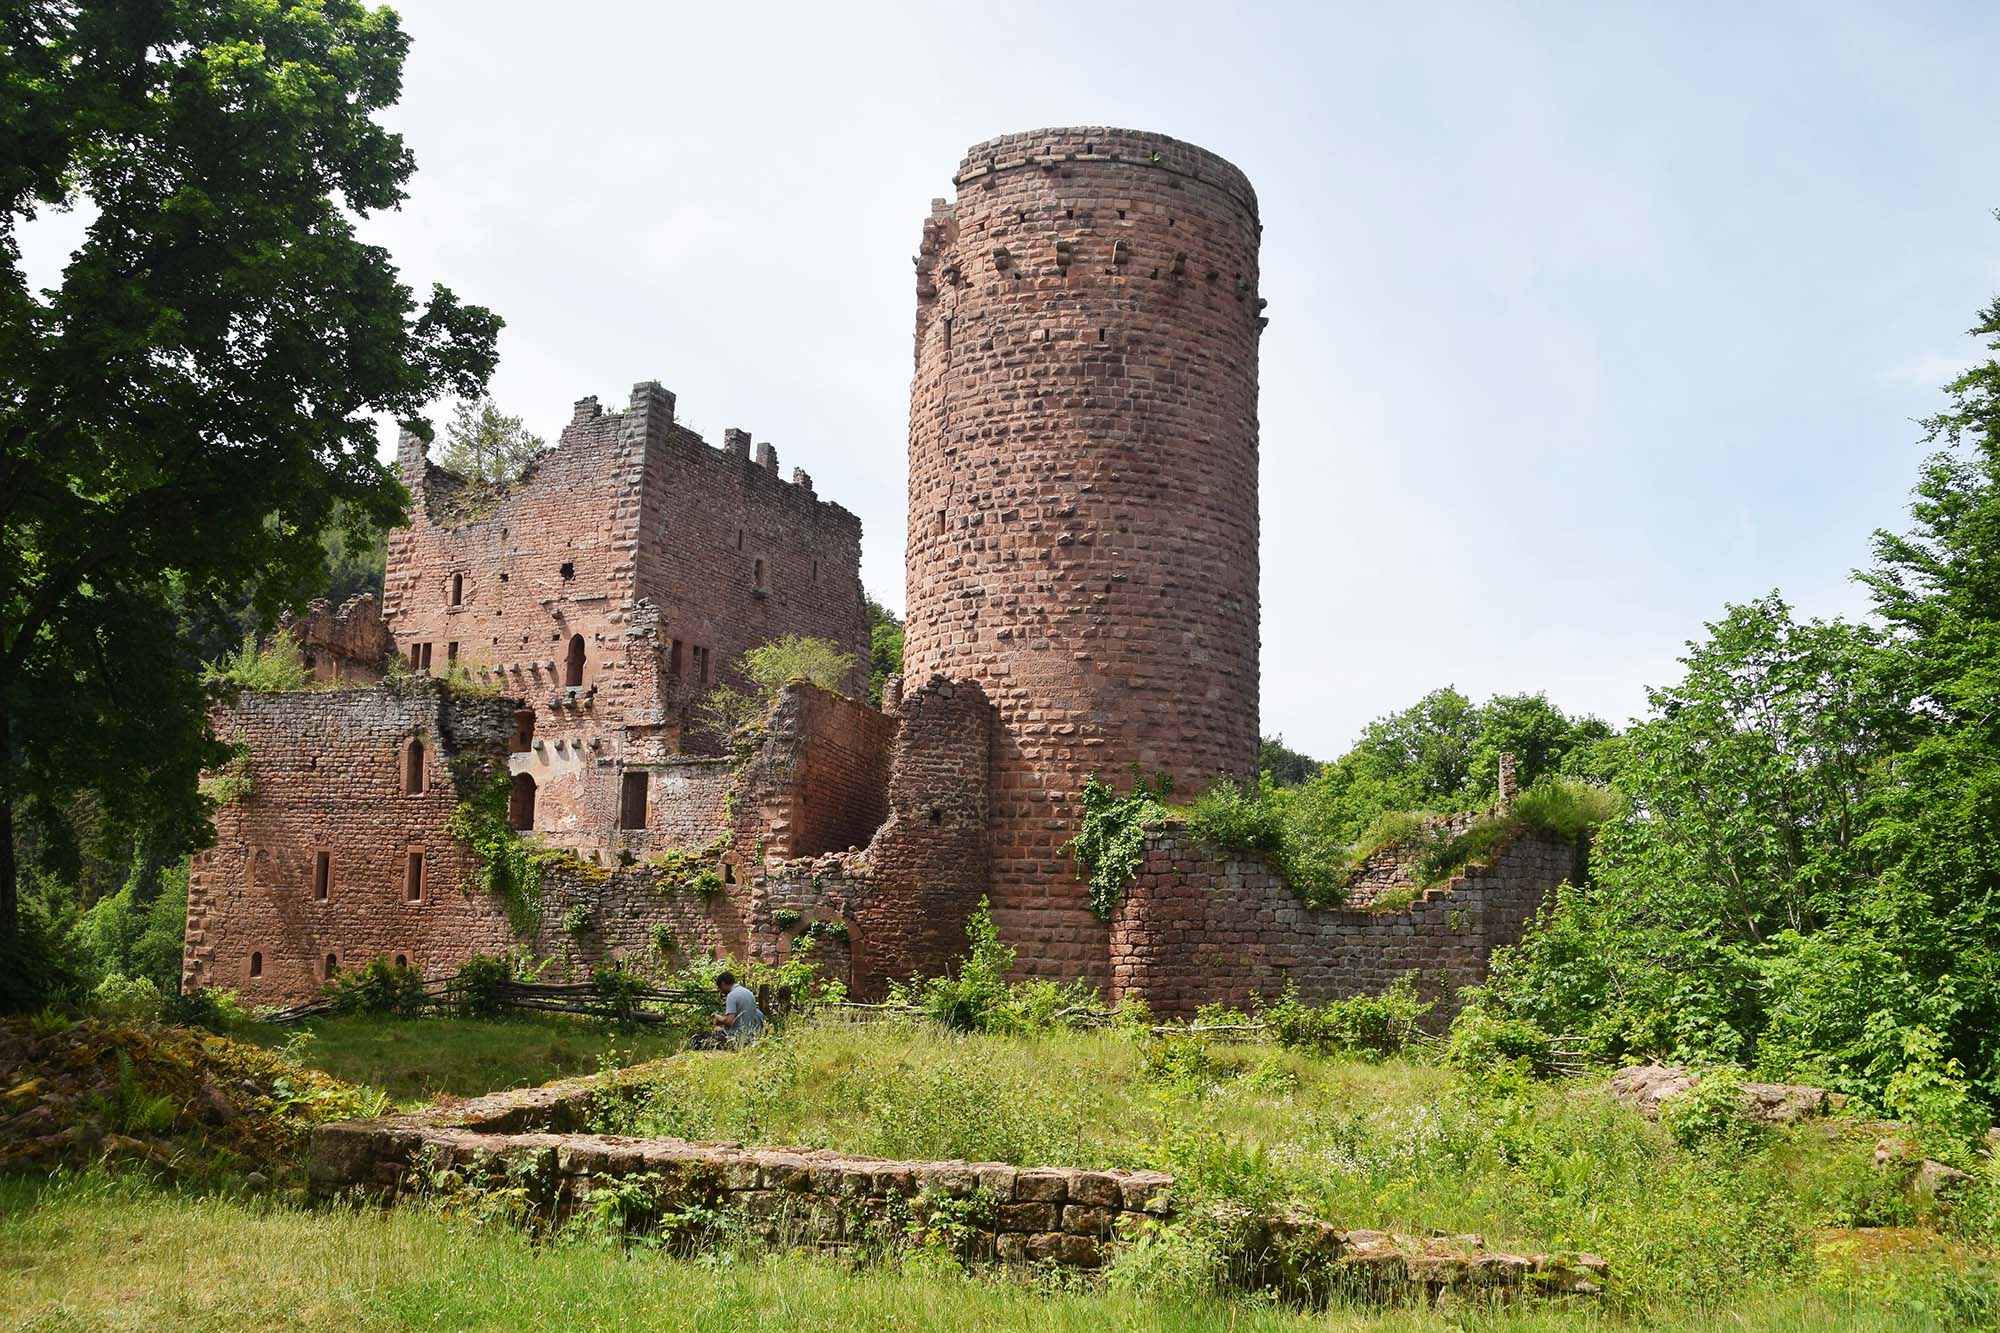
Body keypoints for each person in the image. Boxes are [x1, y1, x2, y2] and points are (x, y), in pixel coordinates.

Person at [711, 971, 765, 1046]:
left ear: (723, 983)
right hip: (751, 1036)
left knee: (715, 1031)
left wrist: (719, 1019)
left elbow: (730, 1021)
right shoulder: (748, 992)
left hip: (737, 1037)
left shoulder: (732, 995)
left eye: (720, 988)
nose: (721, 991)